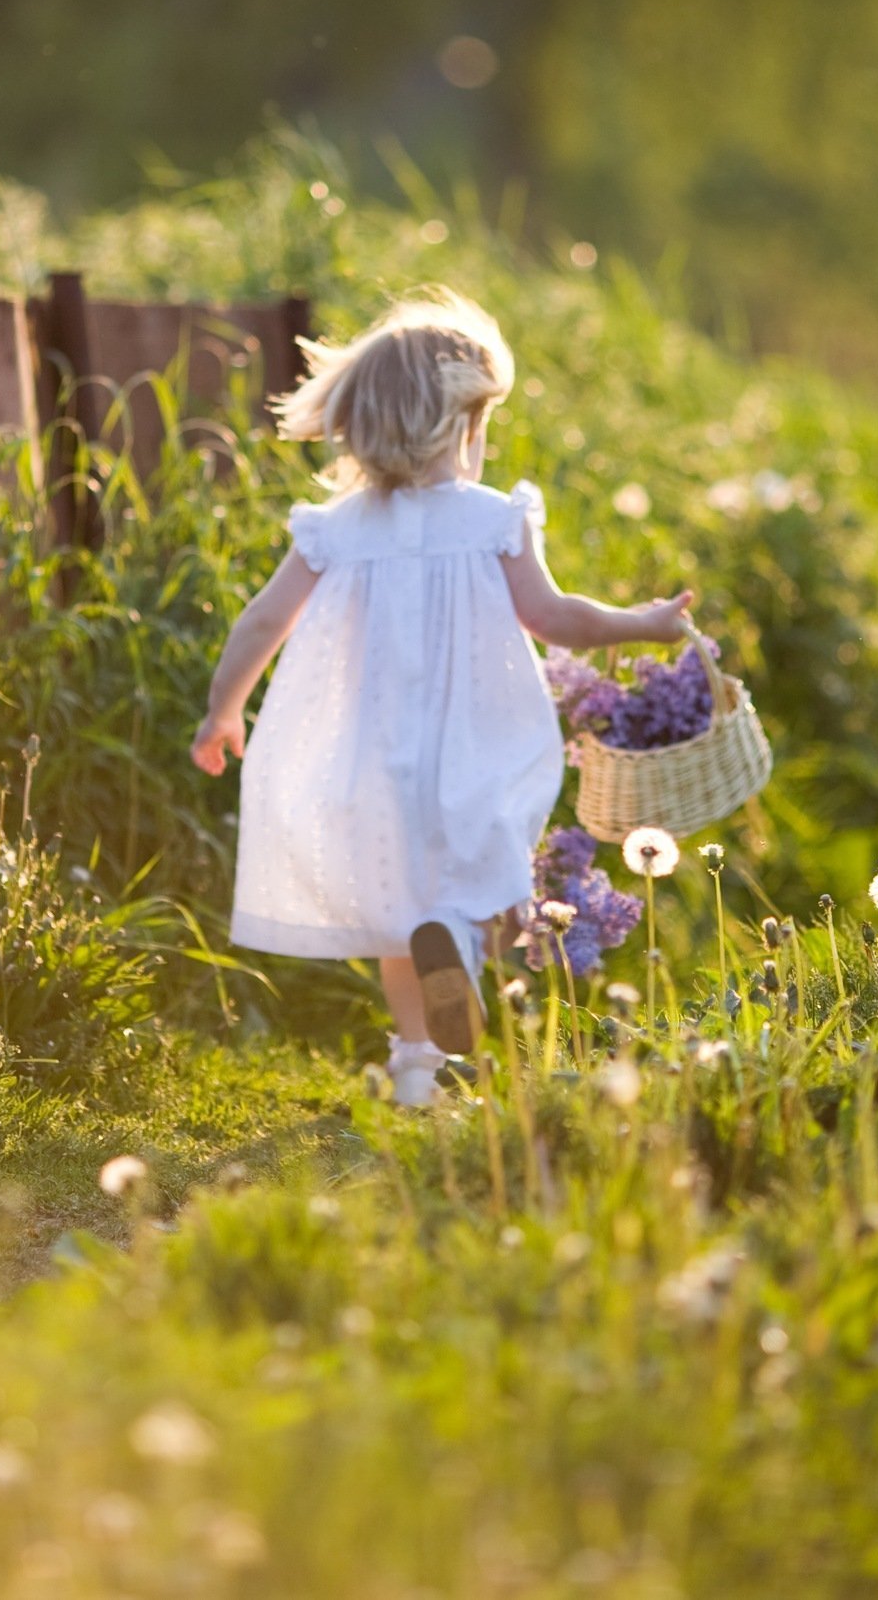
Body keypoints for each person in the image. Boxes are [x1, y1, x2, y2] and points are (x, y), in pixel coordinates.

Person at [192, 290, 693, 1106]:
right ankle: (459, 952)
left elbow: (260, 623)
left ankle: (416, 1070)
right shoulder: (493, 519)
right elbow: (553, 617)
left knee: (400, 910)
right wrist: (644, 623)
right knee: (488, 883)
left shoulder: (334, 528)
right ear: (457, 425)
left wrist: (224, 709)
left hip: (373, 754)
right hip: (477, 745)